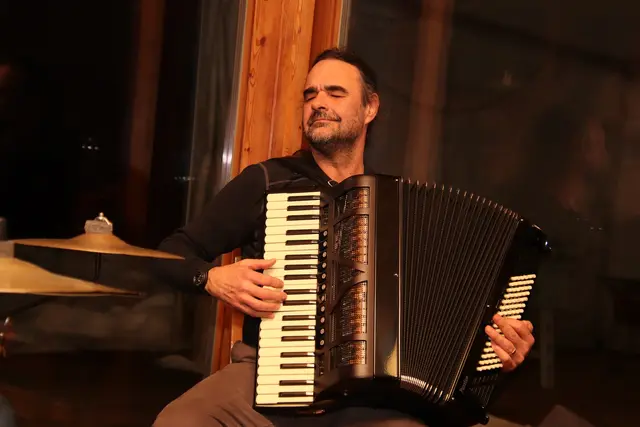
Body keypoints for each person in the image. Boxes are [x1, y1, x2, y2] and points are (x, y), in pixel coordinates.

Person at [152, 47, 536, 427]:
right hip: (265, 376)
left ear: (370, 108)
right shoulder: (268, 181)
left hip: (371, 397)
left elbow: (453, 322)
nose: (318, 102)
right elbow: (170, 255)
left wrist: (498, 351)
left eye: (335, 93)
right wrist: (212, 278)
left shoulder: (396, 206)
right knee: (180, 420)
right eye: (310, 95)